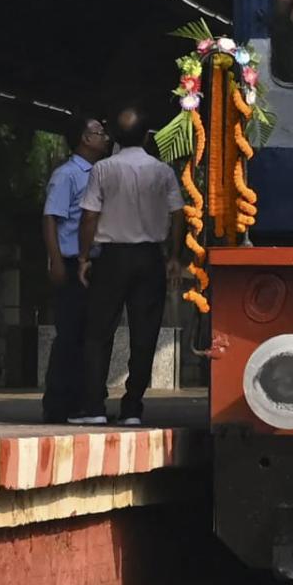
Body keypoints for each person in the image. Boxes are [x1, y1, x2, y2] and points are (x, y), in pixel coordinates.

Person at [72, 108, 184, 427]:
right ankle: (133, 407)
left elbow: (90, 215)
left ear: (115, 139)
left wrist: (83, 257)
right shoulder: (162, 171)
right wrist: (174, 256)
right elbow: (178, 214)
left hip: (111, 258)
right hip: (149, 258)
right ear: (148, 137)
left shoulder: (103, 170)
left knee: (98, 332)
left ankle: (94, 406)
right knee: (144, 333)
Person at [39, 116, 110, 423]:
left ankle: (84, 400)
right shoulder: (67, 175)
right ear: (85, 138)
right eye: (100, 133)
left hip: (93, 263)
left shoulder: (101, 173)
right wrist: (55, 259)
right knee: (69, 334)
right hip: (70, 262)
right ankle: (57, 403)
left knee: (89, 334)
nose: (105, 138)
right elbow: (51, 218)